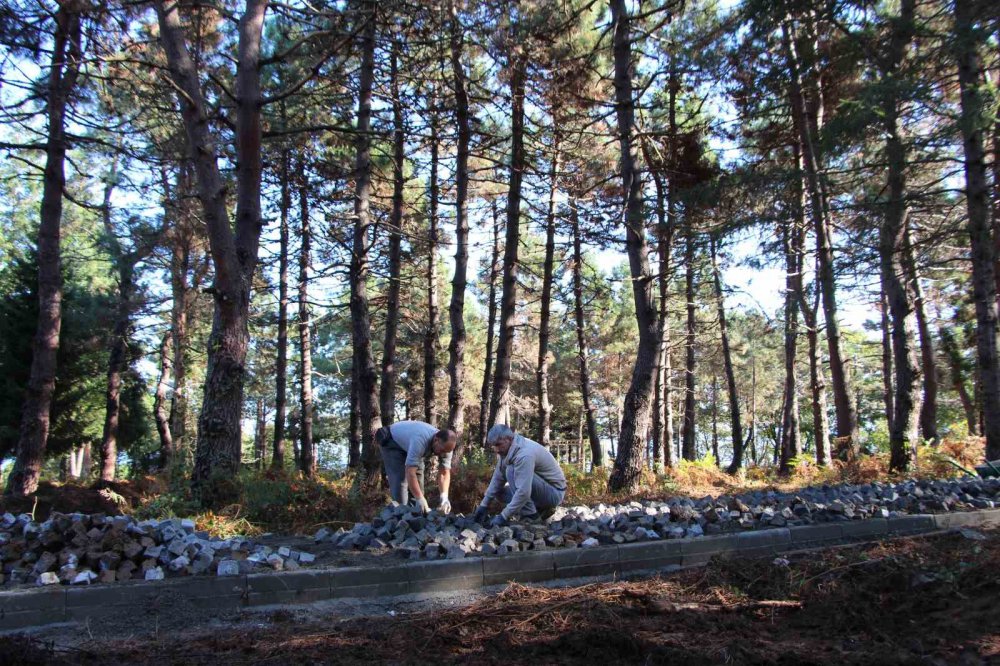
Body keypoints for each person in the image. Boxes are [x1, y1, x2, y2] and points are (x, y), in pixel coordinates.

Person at [472, 424, 566, 527]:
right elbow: (497, 478)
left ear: (508, 439)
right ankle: (539, 509)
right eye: (494, 446)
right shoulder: (508, 451)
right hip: (541, 489)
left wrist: (503, 516)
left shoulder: (524, 454)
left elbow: (523, 492)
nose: (496, 450)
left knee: (511, 470)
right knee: (499, 492)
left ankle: (531, 515)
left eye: (498, 444)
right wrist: (483, 505)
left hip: (554, 493)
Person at [376, 420, 456, 514]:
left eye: (445, 452)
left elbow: (444, 473)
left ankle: (417, 516)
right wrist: (421, 499)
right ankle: (401, 517)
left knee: (419, 487)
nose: (443, 454)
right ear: (436, 440)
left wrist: (444, 497)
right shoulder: (420, 440)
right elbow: (410, 472)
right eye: (441, 450)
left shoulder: (447, 448)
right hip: (393, 443)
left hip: (412, 445)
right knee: (401, 483)